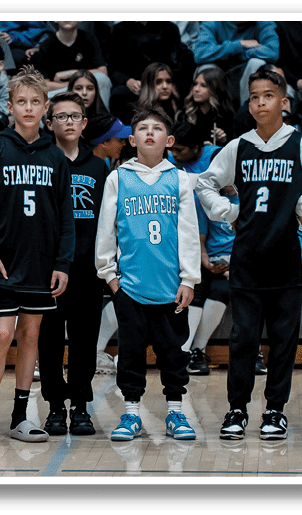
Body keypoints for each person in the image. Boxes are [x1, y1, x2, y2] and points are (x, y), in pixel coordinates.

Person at [195, 68, 302, 440]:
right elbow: (205, 182)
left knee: (283, 342)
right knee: (243, 339)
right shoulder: (238, 146)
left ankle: (275, 411)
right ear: (248, 105)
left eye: (268, 95)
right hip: (247, 259)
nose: (260, 101)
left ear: (284, 102)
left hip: (287, 260)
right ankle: (236, 410)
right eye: (254, 97)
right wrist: (229, 212)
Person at [0, 66, 75, 448]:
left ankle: (20, 417)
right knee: (2, 335)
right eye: (21, 102)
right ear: (10, 106)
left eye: (35, 102)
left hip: (42, 264)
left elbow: (65, 215)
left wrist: (62, 262)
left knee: (31, 337)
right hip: (5, 262)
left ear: (45, 108)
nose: (28, 108)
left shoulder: (56, 158)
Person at [95, 105, 203, 441]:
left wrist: (189, 279)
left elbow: (188, 231)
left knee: (173, 354)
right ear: (132, 139)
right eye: (143, 128)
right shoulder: (118, 177)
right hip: (130, 286)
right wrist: (110, 276)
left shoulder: (180, 179)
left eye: (157, 128)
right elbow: (106, 230)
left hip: (171, 286)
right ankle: (131, 415)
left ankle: (175, 412)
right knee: (130, 354)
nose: (150, 132)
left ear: (169, 139)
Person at [38, 92, 108, 436]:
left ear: (84, 123)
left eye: (74, 116)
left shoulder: (98, 167)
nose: (68, 121)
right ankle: (53, 406)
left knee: (84, 341)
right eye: (60, 116)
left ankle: (81, 406)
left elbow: (108, 222)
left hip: (87, 270)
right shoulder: (43, 161)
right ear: (49, 123)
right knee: (49, 341)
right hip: (49, 268)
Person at [167, 121, 232, 376]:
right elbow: (199, 233)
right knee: (195, 285)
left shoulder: (215, 157)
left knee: (224, 288)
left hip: (221, 251)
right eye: (172, 150)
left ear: (197, 148)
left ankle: (196, 350)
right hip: (192, 245)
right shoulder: (172, 165)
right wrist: (205, 260)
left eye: (180, 151)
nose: (174, 156)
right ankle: (184, 353)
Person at [192, 21, 280, 106]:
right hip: (219, 71)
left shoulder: (263, 22)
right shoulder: (213, 21)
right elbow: (200, 53)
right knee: (206, 67)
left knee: (257, 63)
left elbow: (272, 52)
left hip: (246, 72)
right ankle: (206, 115)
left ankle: (248, 113)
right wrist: (239, 45)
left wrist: (241, 54)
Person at [34, 21, 110, 102]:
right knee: (41, 98)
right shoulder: (47, 45)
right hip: (61, 92)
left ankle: (102, 114)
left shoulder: (89, 39)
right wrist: (75, 86)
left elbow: (103, 72)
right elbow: (44, 85)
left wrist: (72, 74)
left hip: (88, 91)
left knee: (102, 79)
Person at [179, 67, 235, 147]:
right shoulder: (186, 113)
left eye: (203, 85)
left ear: (215, 89)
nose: (196, 89)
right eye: (195, 84)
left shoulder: (226, 115)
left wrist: (223, 140)